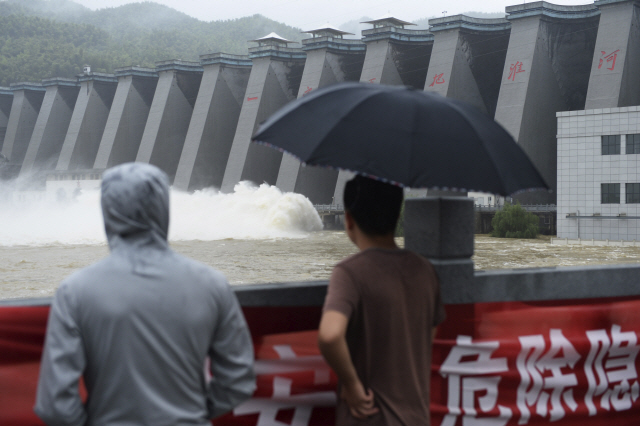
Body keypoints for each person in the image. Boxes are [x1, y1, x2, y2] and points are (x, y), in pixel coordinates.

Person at [34, 162, 255, 426]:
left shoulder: (75, 291)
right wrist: (190, 413)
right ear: (162, 208)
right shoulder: (212, 284)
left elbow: (55, 405)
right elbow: (238, 380)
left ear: (108, 211)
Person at [318, 175, 446, 426]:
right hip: (416, 417)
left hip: (369, 418)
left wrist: (353, 385)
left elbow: (330, 335)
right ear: (397, 216)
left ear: (348, 220)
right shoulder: (424, 269)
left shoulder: (350, 272)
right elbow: (430, 333)